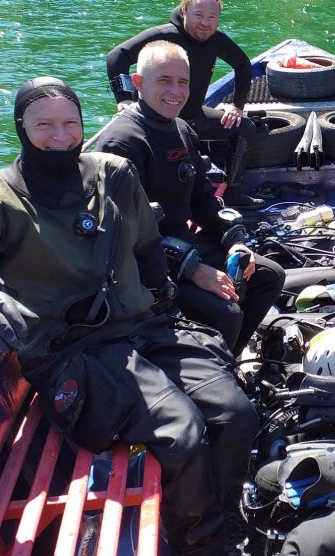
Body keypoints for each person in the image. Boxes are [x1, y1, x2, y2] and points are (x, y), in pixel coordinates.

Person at [0, 76, 259, 556]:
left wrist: (176, 299)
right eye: (43, 125)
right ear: (21, 128)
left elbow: (149, 250)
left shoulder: (113, 175)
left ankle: (218, 526)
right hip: (74, 352)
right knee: (181, 433)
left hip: (143, 327)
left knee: (236, 414)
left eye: (70, 123)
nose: (60, 135)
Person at [95, 42, 285, 357]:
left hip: (181, 243)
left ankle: (228, 359)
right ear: (139, 83)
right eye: (164, 81)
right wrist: (194, 269)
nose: (176, 91)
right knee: (225, 312)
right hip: (143, 264)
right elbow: (126, 233)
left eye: (183, 82)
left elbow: (202, 198)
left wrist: (235, 241)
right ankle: (211, 375)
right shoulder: (122, 142)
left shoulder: (182, 130)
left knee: (268, 276)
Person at [105, 0, 258, 204]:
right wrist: (124, 99)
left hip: (194, 118)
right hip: (157, 123)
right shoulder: (165, 36)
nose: (205, 22)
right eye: (198, 15)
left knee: (245, 128)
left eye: (212, 17)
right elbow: (116, 57)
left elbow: (243, 65)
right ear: (185, 12)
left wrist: (237, 106)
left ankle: (232, 190)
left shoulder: (217, 40)